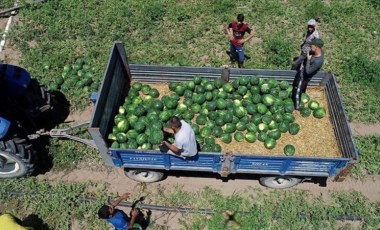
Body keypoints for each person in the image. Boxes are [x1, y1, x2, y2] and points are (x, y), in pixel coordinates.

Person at [292, 38, 325, 109]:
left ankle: (297, 106)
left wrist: (308, 61)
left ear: (316, 47)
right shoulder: (319, 51)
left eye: (311, 46)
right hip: (304, 71)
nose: (310, 47)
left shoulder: (318, 61)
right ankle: (303, 93)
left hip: (304, 76)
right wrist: (302, 63)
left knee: (297, 90)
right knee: (302, 88)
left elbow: (308, 72)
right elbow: (305, 56)